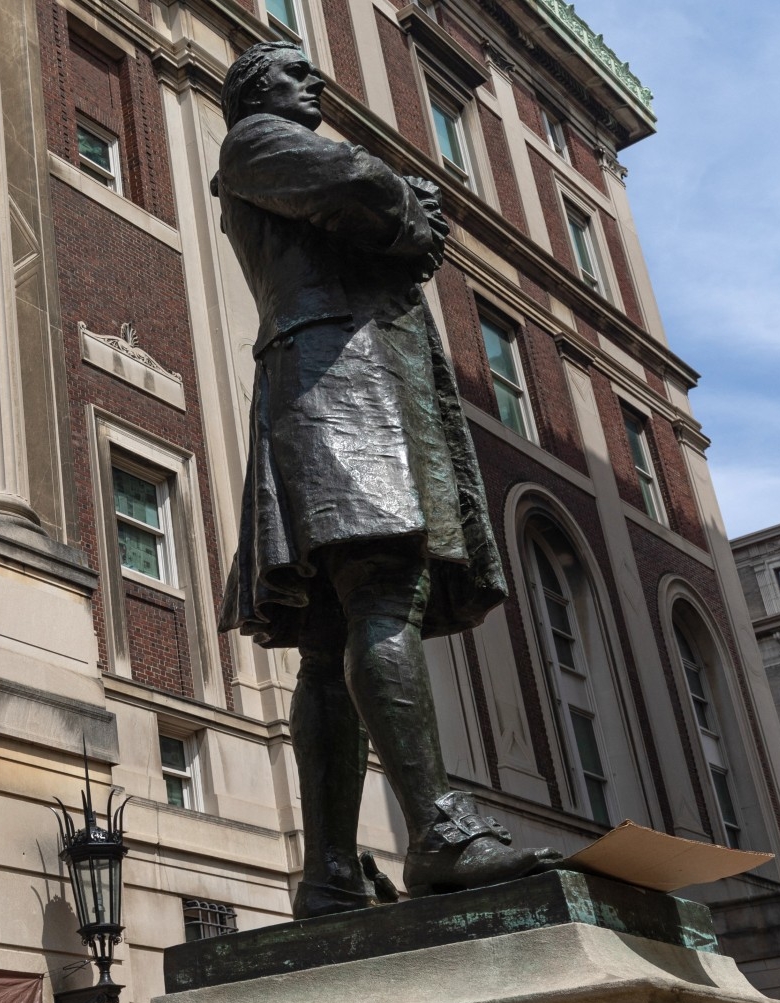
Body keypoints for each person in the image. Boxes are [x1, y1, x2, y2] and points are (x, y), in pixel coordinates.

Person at [212, 40, 559, 919]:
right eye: (296, 74)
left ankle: (330, 871)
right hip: (336, 381)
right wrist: (413, 205)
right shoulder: (254, 138)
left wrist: (408, 209)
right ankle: (437, 832)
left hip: (345, 377)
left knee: (330, 638)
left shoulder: (278, 141)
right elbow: (356, 188)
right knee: (378, 594)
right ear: (255, 89)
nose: (314, 83)